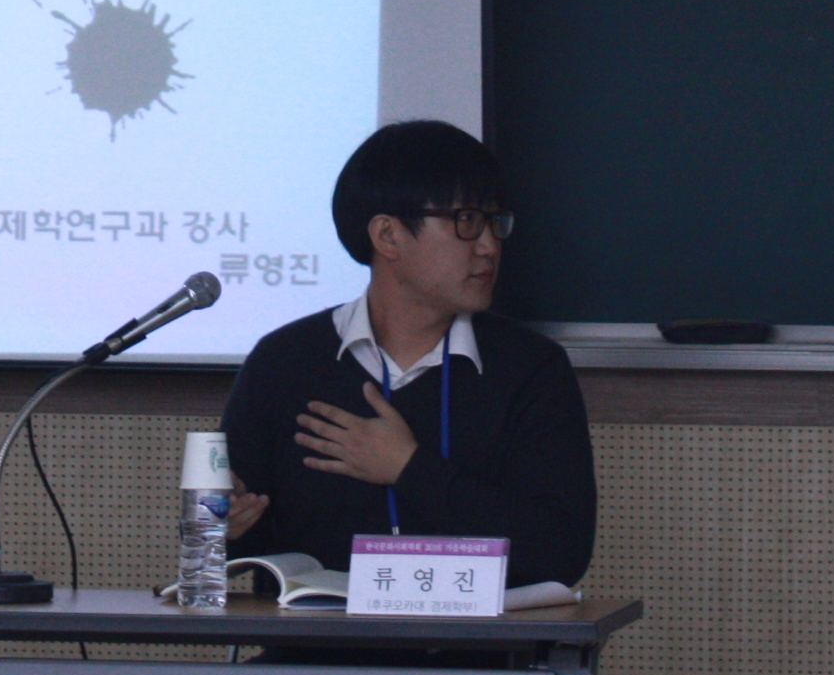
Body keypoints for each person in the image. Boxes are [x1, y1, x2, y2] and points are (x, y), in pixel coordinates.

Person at [219, 119, 596, 589]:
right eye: (466, 221)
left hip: (480, 638)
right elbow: (242, 551)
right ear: (388, 235)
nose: (489, 246)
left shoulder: (530, 368)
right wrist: (228, 527)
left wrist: (408, 468)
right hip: (315, 636)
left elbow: (560, 552)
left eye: (494, 222)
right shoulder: (285, 363)